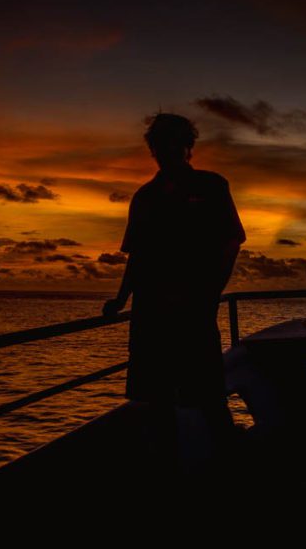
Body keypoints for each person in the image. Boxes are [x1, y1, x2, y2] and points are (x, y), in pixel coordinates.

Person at [102, 113, 246, 465]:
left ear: (188, 146)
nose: (167, 150)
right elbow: (136, 257)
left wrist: (210, 295)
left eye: (175, 142)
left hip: (194, 313)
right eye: (160, 143)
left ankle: (233, 472)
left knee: (210, 397)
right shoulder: (145, 197)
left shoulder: (212, 186)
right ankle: (167, 476)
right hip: (150, 314)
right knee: (157, 400)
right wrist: (121, 299)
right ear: (153, 149)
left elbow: (231, 243)